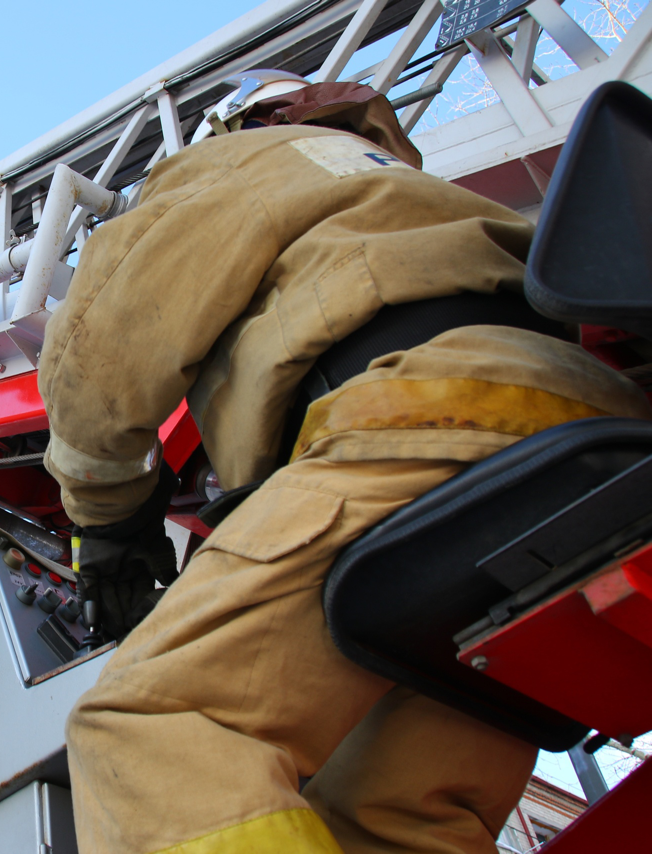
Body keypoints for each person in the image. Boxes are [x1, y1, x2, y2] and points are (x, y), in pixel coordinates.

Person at [37, 71, 652, 854]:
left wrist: (108, 525)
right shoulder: (431, 197)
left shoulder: (241, 161)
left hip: (421, 424)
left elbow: (98, 364)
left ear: (242, 124)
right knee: (389, 823)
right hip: (595, 463)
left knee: (157, 734)